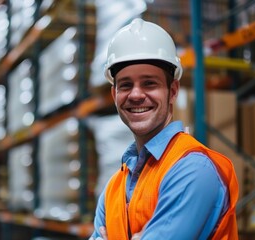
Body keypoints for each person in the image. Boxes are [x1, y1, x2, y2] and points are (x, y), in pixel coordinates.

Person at [89, 18, 239, 240]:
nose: (136, 95)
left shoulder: (194, 170)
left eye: (149, 83)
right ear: (114, 95)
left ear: (174, 90)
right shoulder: (113, 189)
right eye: (126, 85)